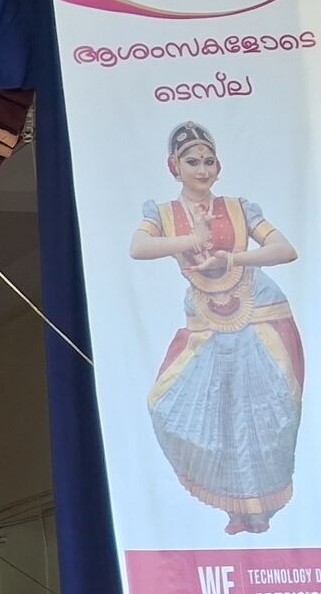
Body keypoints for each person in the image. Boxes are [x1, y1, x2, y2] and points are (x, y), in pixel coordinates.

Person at [131, 121, 305, 534]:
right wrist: (192, 239)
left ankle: (257, 510)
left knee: (264, 412)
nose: (202, 169)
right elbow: (138, 248)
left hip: (261, 310)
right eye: (192, 161)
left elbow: (285, 250)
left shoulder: (239, 207)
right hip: (207, 315)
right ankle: (234, 504)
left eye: (209, 161)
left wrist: (232, 258)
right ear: (174, 166)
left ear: (218, 166)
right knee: (179, 406)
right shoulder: (164, 214)